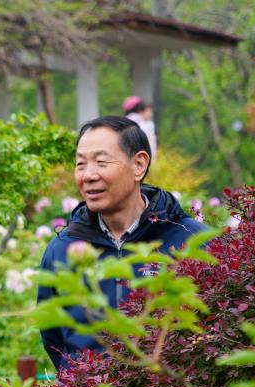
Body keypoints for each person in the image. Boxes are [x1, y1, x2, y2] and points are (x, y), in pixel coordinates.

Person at [36, 116, 207, 371]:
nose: (88, 175)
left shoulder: (190, 240)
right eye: (80, 164)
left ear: (139, 165)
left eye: (101, 162)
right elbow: (53, 339)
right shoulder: (64, 248)